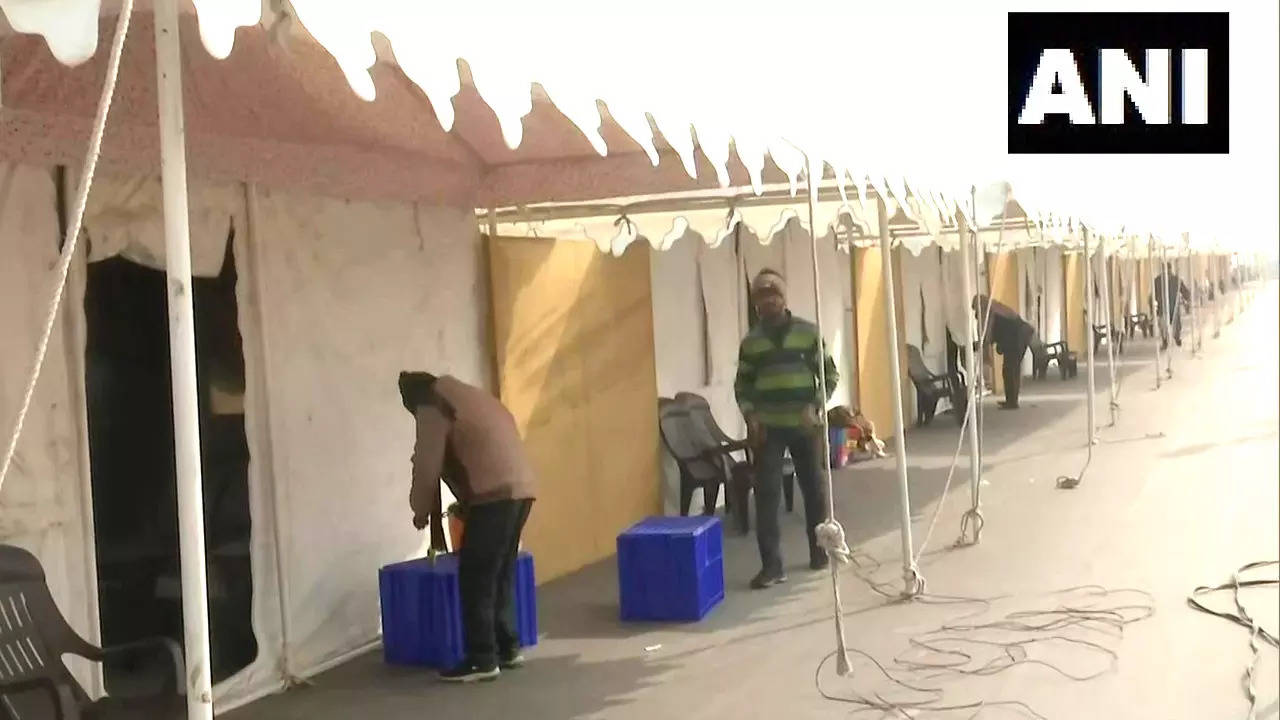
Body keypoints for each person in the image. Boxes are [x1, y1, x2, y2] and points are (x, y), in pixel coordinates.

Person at [399, 371, 536, 683]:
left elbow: (427, 463)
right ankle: (508, 647)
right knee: (499, 571)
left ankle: (482, 658)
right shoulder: (471, 396)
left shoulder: (432, 403)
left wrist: (419, 510)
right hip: (521, 489)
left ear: (411, 398)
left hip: (493, 495)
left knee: (476, 576)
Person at [735, 269, 839, 589]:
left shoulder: (808, 333)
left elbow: (830, 374)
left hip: (804, 424)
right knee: (766, 495)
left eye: (774, 295)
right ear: (756, 304)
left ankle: (820, 551)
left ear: (784, 297)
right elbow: (743, 385)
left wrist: (816, 404)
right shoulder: (751, 343)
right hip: (769, 427)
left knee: (815, 489)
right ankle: (772, 566)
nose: (769, 302)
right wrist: (750, 414)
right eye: (762, 297)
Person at [972, 295, 1035, 410]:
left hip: (1018, 336)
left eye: (976, 309)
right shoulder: (996, 307)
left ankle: (1012, 402)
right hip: (1020, 334)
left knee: (1010, 368)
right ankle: (1011, 400)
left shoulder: (989, 313)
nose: (976, 315)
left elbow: (987, 337)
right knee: (1012, 368)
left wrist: (979, 348)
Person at [1151, 265, 1190, 350]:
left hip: (1172, 306)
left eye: (1167, 270)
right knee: (1164, 325)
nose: (1166, 272)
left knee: (1175, 324)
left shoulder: (1175, 280)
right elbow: (1153, 294)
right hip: (1165, 307)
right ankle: (1167, 340)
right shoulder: (1158, 280)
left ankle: (1176, 337)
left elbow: (1184, 291)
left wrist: (1187, 297)